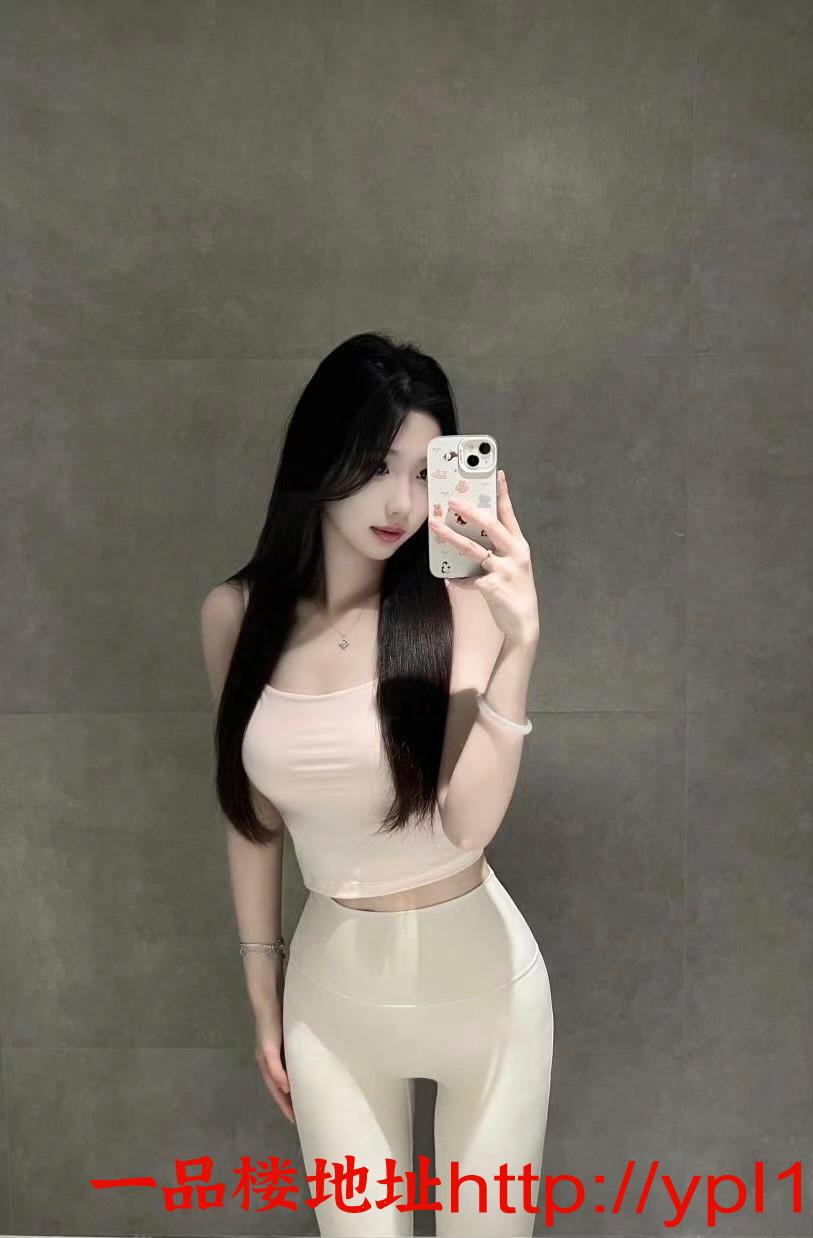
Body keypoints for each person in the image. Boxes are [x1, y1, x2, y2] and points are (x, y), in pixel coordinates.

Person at [199, 331, 553, 1237]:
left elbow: (467, 825)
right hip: (332, 1001)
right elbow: (251, 818)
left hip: (486, 993)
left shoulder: (464, 603)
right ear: (321, 459)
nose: (401, 502)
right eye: (376, 466)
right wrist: (263, 991)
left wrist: (520, 644)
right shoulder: (236, 617)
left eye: (425, 473)